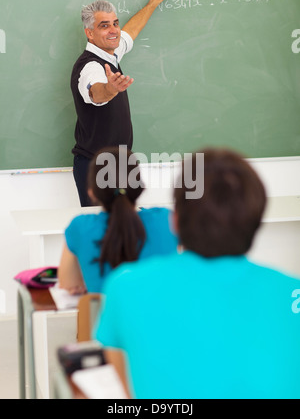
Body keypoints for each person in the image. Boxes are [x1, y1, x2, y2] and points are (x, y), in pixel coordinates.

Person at [94, 147, 300, 399]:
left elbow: (120, 391)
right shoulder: (292, 295)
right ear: (256, 220)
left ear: (175, 221)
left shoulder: (124, 288)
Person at [71, 0, 172, 206]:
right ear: (89, 33)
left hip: (119, 164)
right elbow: (96, 92)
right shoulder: (90, 67)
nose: (114, 30)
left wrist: (154, 2)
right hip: (97, 167)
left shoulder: (111, 54)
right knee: (102, 234)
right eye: (104, 26)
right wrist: (110, 89)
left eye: (115, 23)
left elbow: (131, 31)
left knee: (125, 229)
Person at [58, 146, 178, 295]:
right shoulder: (166, 220)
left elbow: (68, 283)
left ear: (92, 193)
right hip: (162, 317)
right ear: (139, 187)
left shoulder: (80, 228)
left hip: (107, 317)